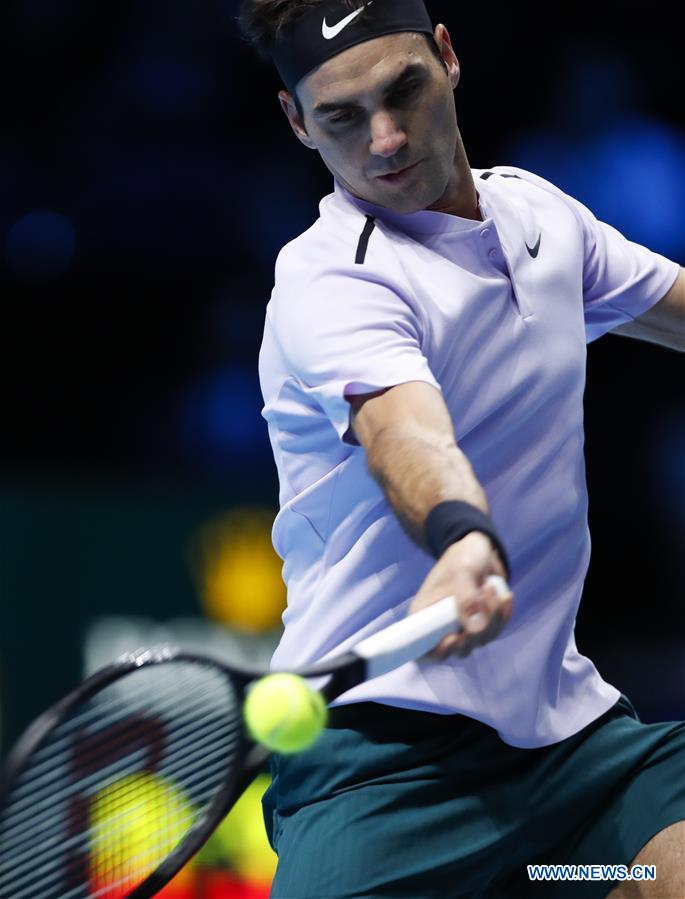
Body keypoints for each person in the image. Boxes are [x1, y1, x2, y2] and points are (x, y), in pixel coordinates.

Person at [239, 1, 685, 895]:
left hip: (571, 767)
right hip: (382, 774)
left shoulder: (537, 216)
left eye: (402, 89)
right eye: (341, 117)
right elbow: (402, 429)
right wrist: (461, 535)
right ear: (297, 122)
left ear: (446, 57)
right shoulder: (331, 277)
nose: (386, 138)